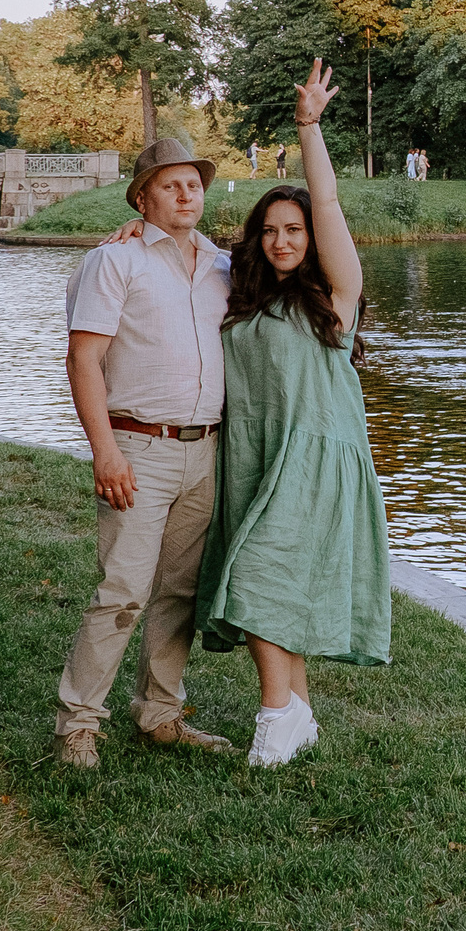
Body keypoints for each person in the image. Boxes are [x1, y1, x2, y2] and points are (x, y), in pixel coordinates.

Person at [191, 59, 391, 769]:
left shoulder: (334, 299)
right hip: (255, 455)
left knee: (257, 577)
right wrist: (134, 232)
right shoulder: (240, 292)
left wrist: (309, 127)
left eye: (294, 230)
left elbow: (330, 204)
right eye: (271, 229)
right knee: (273, 582)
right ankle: (297, 709)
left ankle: (276, 716)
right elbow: (181, 250)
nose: (282, 240)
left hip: (315, 458)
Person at [52, 133, 235, 768]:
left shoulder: (222, 266)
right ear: (143, 197)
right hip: (138, 447)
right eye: (171, 185)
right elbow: (84, 360)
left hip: (207, 451)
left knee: (179, 591)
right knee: (123, 589)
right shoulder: (115, 262)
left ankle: (161, 714)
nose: (187, 194)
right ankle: (79, 722)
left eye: (194, 184)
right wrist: (105, 453)